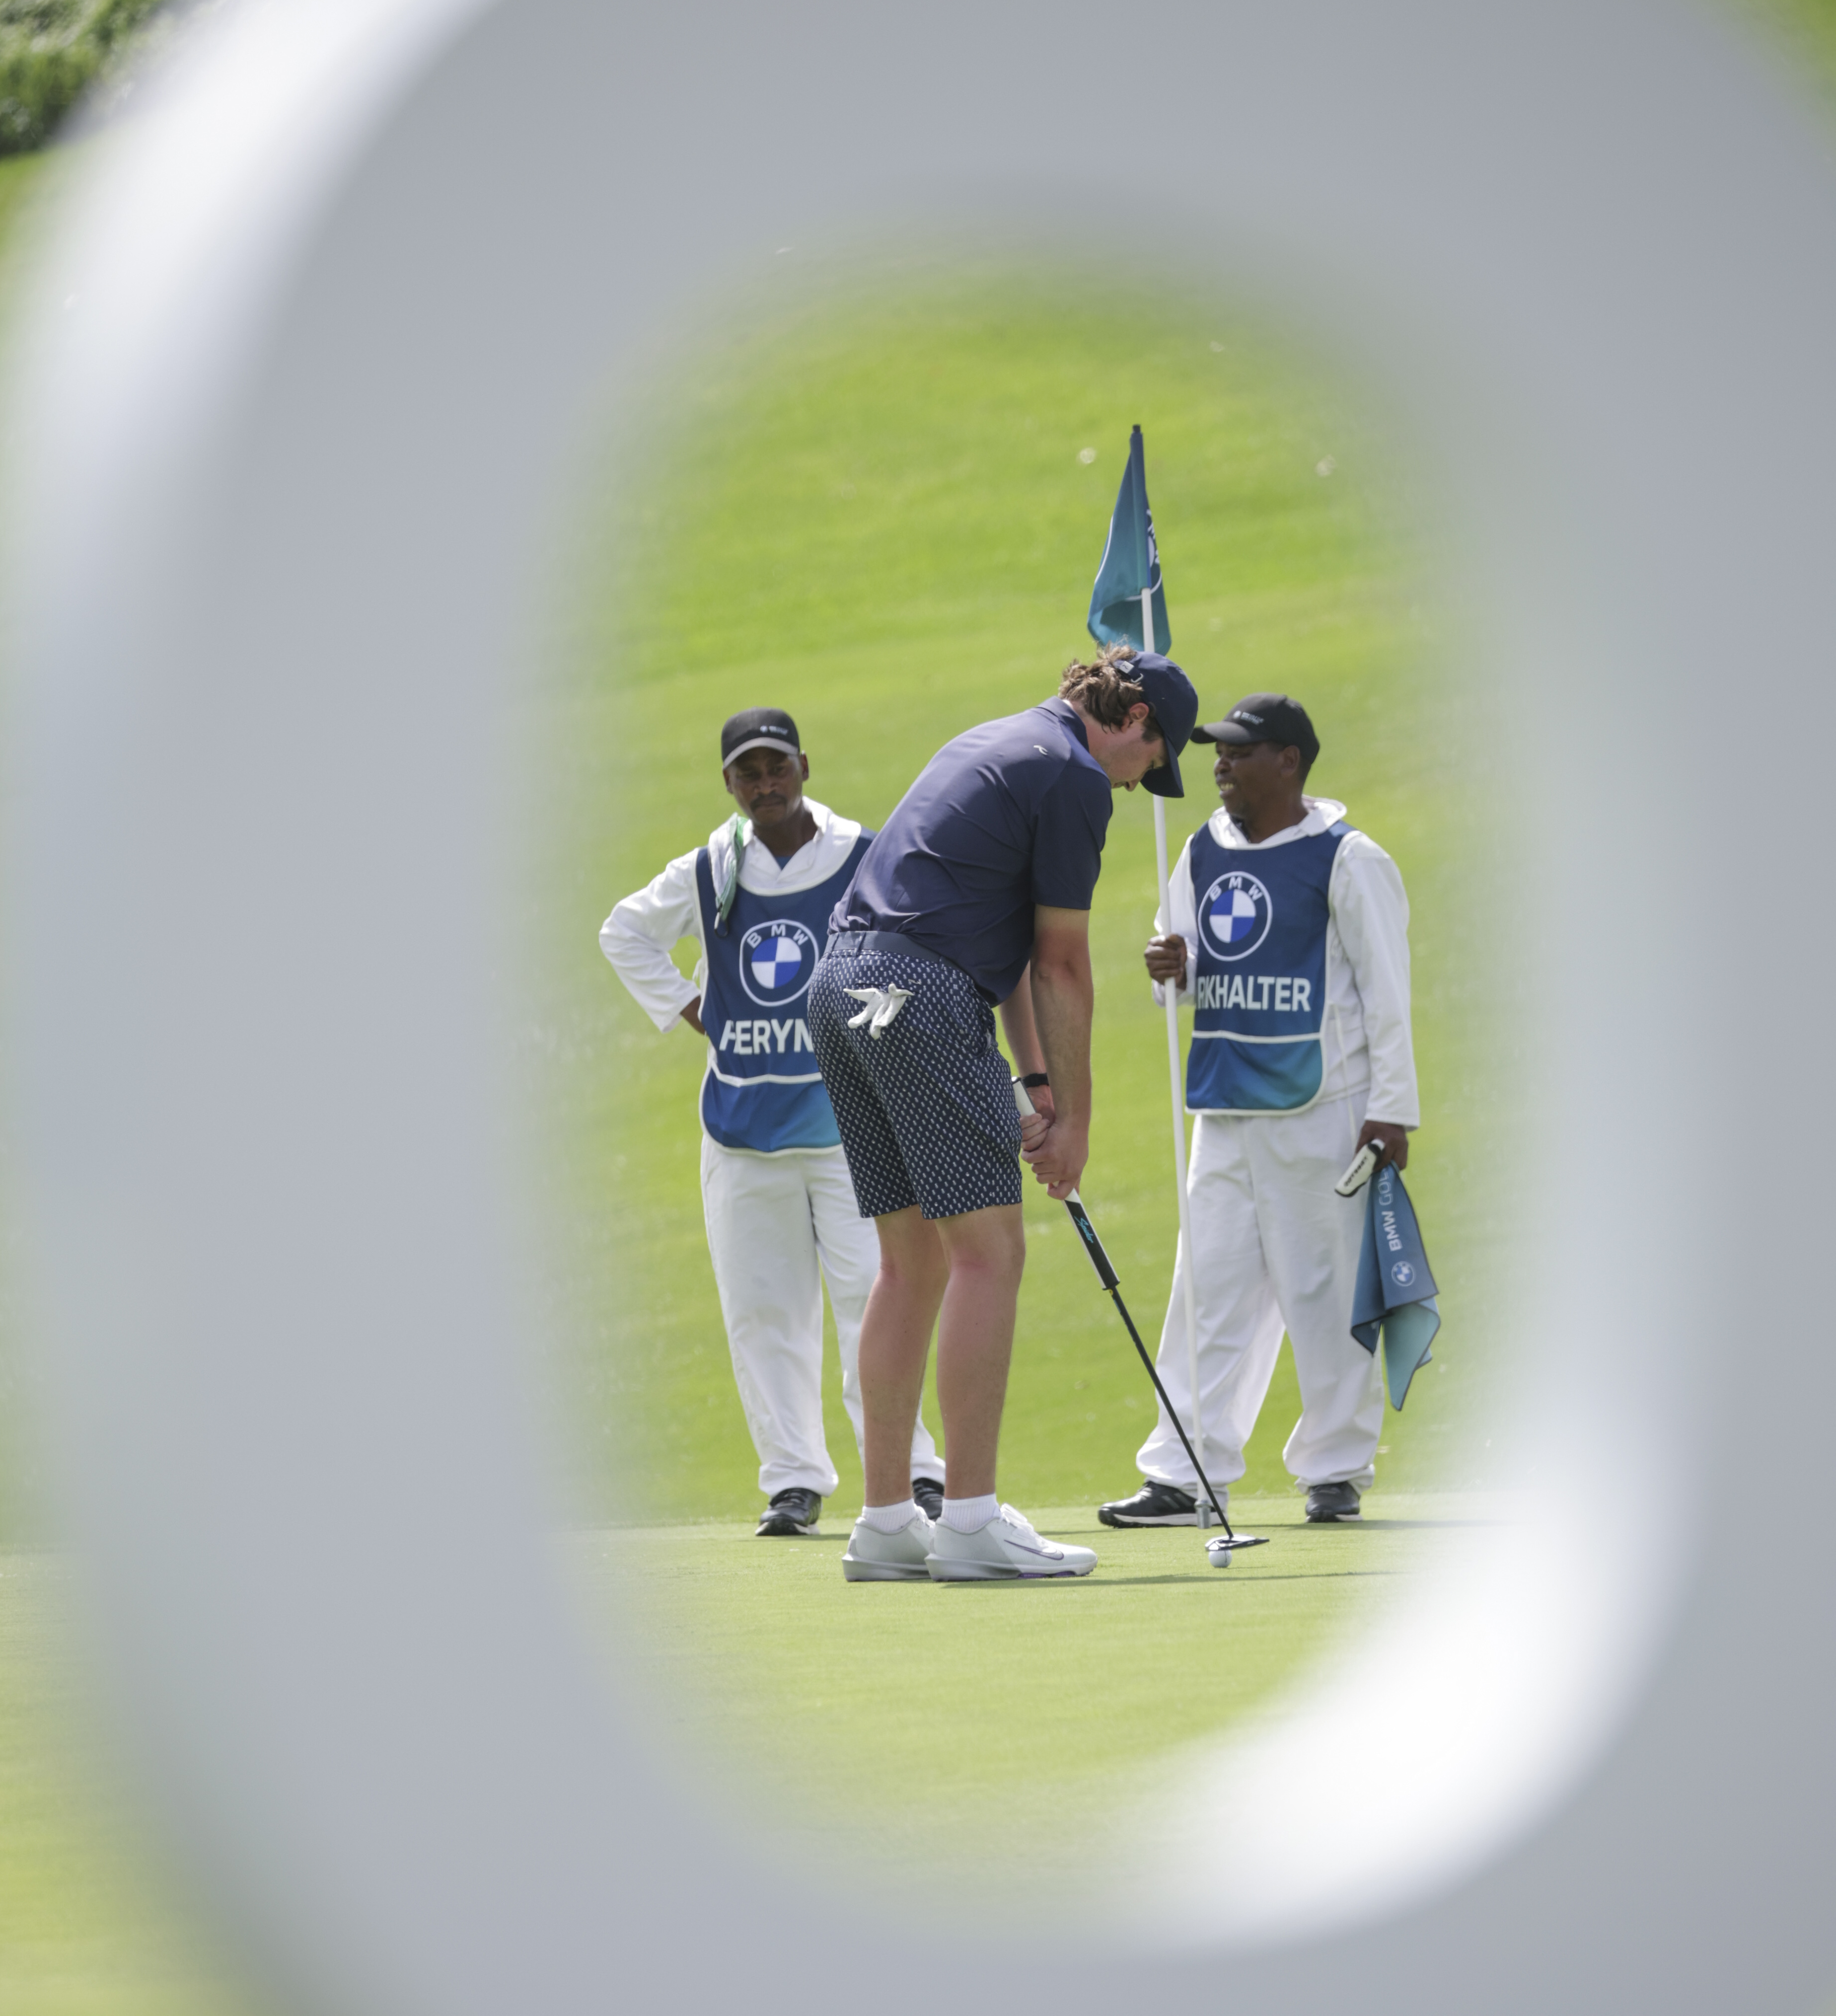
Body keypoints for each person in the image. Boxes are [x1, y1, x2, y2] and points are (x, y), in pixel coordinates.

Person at [808, 651, 1198, 1583]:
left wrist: (1038, 1086)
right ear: (1133, 718)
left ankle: (886, 1522)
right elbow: (1062, 962)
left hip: (841, 989)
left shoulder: (995, 741)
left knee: (911, 1262)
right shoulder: (1073, 776)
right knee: (990, 1254)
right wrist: (1078, 1129)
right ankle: (972, 1521)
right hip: (919, 995)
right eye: (1152, 760)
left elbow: (1015, 952)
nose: (1138, 782)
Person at [598, 709, 944, 1538]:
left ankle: (914, 1473)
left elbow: (918, 948)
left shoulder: (862, 855)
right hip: (743, 1128)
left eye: (777, 767)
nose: (765, 784)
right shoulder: (712, 868)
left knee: (875, 1297)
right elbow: (625, 932)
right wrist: (697, 1012)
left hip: (851, 1128)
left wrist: (877, 1021)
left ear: (804, 768)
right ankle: (793, 1481)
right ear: (729, 784)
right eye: (748, 773)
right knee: (762, 1312)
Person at [1098, 693, 1418, 1530]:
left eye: (1240, 752)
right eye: (1218, 752)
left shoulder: (1349, 859)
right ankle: (1185, 1473)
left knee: (1323, 1294)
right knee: (1206, 1289)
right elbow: (1183, 967)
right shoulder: (1200, 849)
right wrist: (1171, 967)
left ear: (1290, 762)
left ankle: (1336, 1470)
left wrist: (1392, 1111)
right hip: (1223, 1102)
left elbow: (1387, 994)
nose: (1221, 766)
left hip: (1326, 1107)